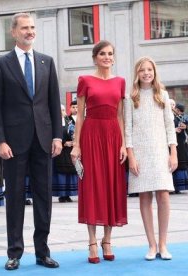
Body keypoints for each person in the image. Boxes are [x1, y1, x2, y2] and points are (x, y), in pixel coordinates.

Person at [0, 12, 62, 270]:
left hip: (43, 140)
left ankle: (42, 252)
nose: (29, 31)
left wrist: (57, 136)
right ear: (14, 32)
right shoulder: (0, 64)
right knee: (16, 198)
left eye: (32, 27)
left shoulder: (46, 62)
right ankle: (14, 253)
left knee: (44, 197)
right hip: (13, 143)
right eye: (24, 28)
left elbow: (54, 102)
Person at [70, 40, 127, 264]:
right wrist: (76, 144)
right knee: (92, 187)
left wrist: (123, 144)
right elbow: (80, 115)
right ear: (95, 57)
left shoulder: (120, 82)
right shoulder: (85, 80)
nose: (106, 57)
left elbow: (121, 115)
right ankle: (92, 241)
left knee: (112, 186)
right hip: (91, 136)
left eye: (110, 54)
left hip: (113, 137)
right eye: (102, 54)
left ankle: (107, 239)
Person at [125, 56, 178, 261]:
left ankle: (163, 244)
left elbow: (169, 126)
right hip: (139, 153)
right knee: (144, 197)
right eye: (142, 70)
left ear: (154, 72)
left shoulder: (162, 95)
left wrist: (173, 152)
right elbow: (127, 130)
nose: (146, 73)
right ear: (137, 74)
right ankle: (151, 244)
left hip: (159, 152)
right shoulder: (130, 98)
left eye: (149, 70)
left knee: (163, 195)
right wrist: (131, 157)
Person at [53, 104, 78, 203]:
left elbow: (72, 132)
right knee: (61, 173)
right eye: (60, 110)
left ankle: (68, 194)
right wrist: (64, 143)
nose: (62, 112)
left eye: (63, 110)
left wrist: (74, 140)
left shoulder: (68, 121)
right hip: (60, 151)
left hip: (68, 151)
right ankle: (62, 195)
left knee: (69, 172)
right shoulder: (54, 122)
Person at [172, 103, 188, 194]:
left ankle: (179, 186)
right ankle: (172, 187)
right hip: (171, 143)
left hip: (181, 143)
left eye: (173, 105)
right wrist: (174, 130)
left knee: (181, 163)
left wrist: (186, 126)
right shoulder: (168, 116)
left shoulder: (182, 117)